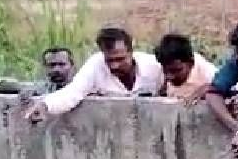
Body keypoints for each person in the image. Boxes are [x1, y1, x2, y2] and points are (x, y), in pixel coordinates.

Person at [26, 27, 163, 120]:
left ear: (131, 52)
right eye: (109, 60)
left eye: (120, 59)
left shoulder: (154, 66)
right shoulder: (95, 65)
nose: (115, 65)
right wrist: (45, 106)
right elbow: (73, 92)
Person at [156, 33, 218, 105]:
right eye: (166, 71)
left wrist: (210, 90)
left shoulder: (209, 75)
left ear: (191, 63)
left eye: (176, 71)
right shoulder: (159, 71)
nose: (169, 76)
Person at [0, 47, 75, 96]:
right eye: (52, 65)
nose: (56, 69)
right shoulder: (42, 88)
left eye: (61, 64)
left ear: (72, 66)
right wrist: (23, 89)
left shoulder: (82, 85)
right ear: (45, 67)